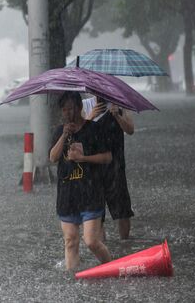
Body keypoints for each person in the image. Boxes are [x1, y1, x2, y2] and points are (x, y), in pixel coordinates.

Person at [49, 91, 112, 270]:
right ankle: (73, 282)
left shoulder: (94, 129)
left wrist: (84, 159)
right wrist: (63, 136)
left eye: (71, 109)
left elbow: (107, 157)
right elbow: (53, 158)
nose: (68, 113)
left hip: (91, 193)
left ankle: (112, 269)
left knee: (91, 241)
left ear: (80, 107)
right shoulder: (59, 131)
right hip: (67, 195)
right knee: (70, 241)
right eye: (64, 110)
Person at [83, 96, 135, 240]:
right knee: (97, 214)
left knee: (123, 211)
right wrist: (90, 117)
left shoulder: (121, 104)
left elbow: (130, 130)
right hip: (93, 168)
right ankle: (104, 248)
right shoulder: (85, 105)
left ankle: (124, 245)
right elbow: (79, 137)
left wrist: (117, 115)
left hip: (116, 167)